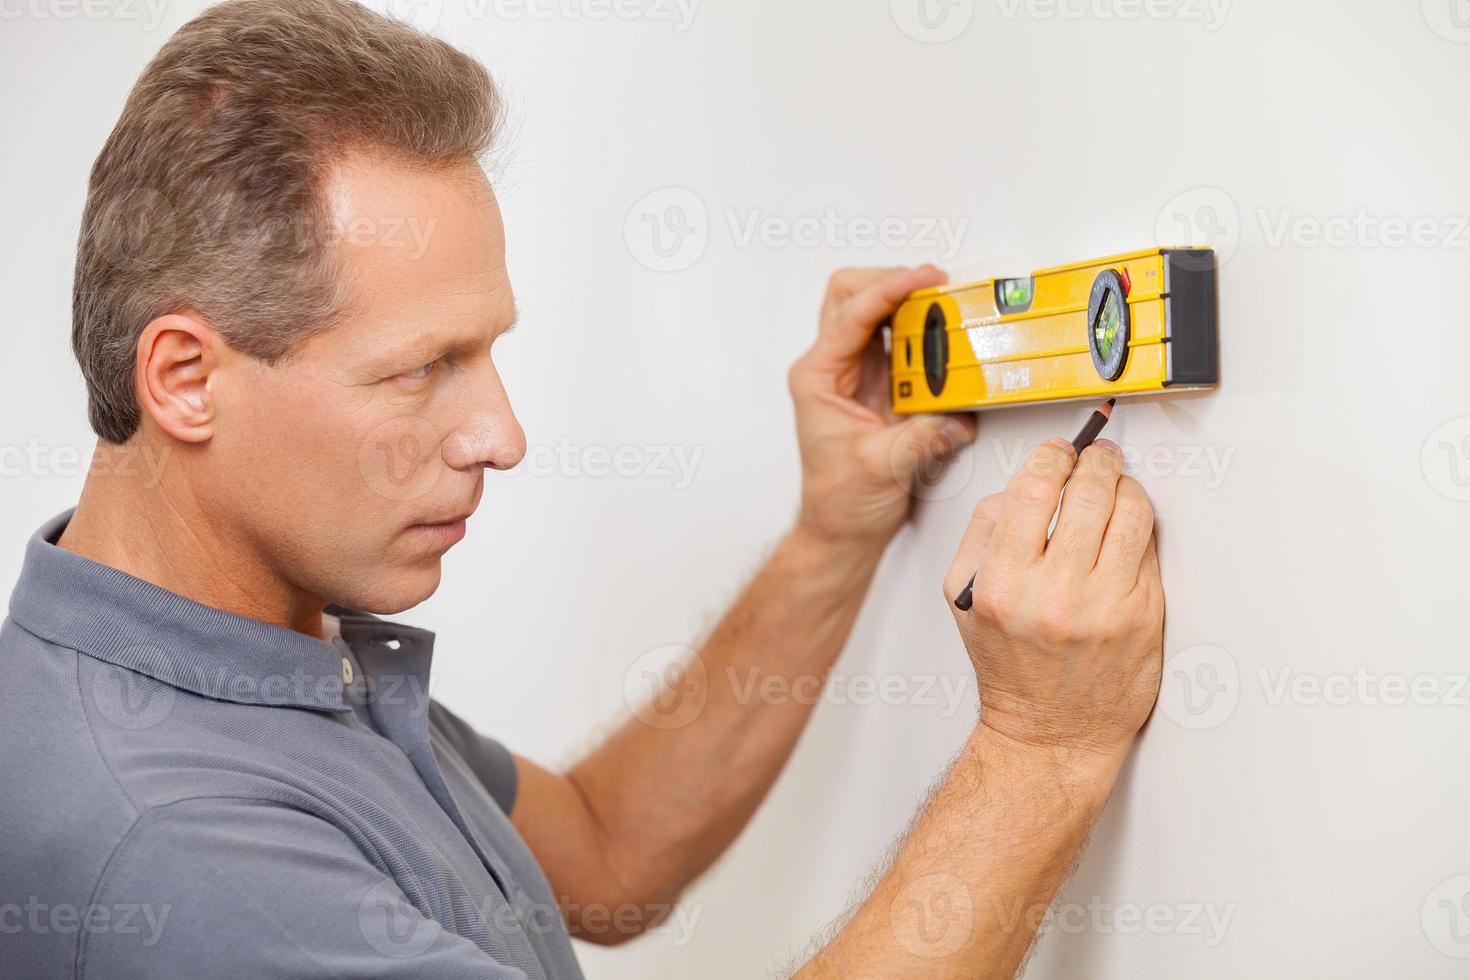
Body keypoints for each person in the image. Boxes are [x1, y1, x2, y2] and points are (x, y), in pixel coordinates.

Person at [0, 1, 1163, 976]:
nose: (500, 433)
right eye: (421, 368)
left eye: (486, 349)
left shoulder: (245, 649)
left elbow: (606, 853)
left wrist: (834, 531)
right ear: (187, 379)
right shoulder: (186, 846)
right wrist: (1042, 745)